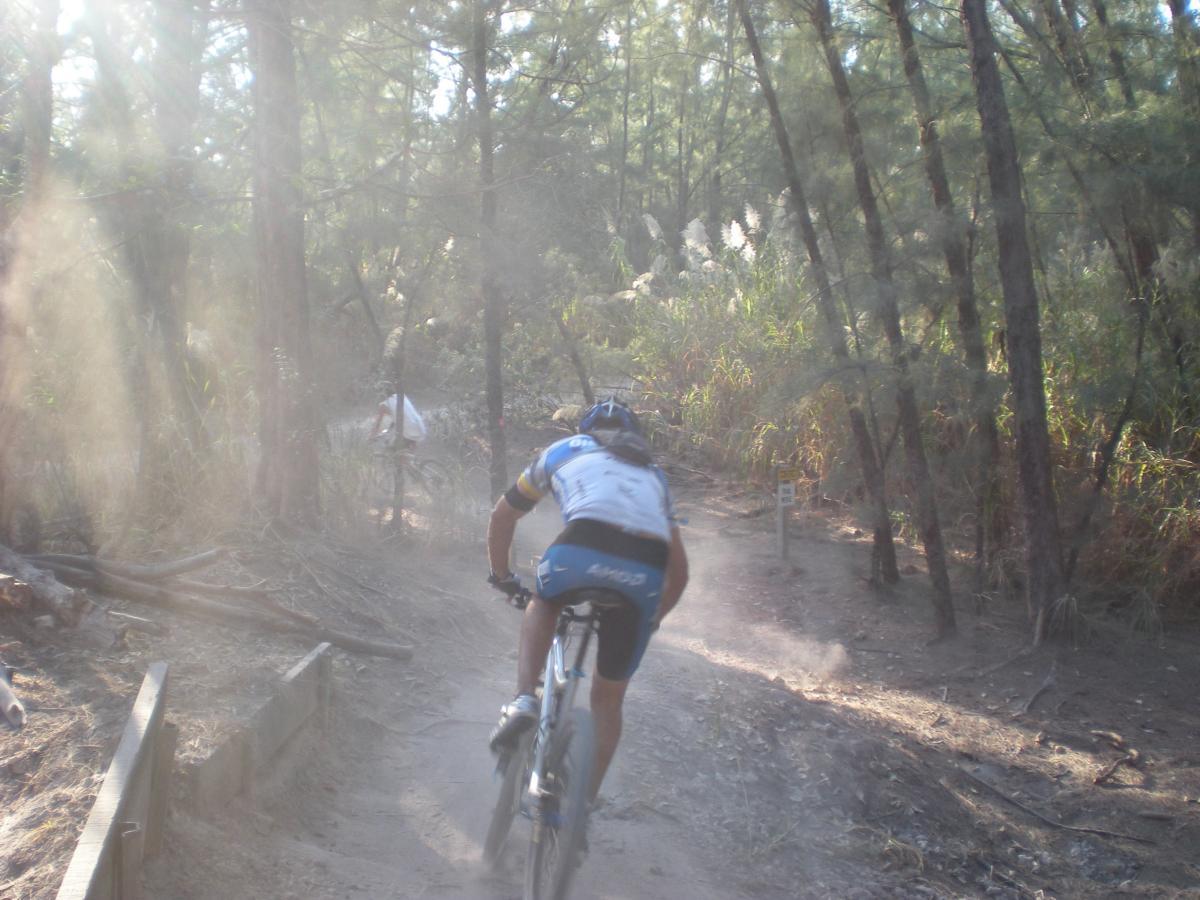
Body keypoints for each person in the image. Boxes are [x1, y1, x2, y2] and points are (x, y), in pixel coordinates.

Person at [485, 397, 688, 801]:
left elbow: (502, 516)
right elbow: (678, 573)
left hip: (580, 549)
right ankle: (583, 805)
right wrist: (652, 618)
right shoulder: (653, 474)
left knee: (543, 602)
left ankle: (525, 698)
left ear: (584, 431)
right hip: (644, 570)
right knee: (608, 701)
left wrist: (503, 577)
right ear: (633, 436)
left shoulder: (563, 451)